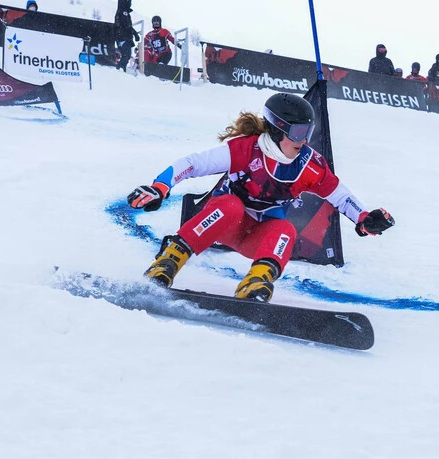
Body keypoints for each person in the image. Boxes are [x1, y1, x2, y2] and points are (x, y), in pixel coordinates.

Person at [126, 93, 395, 302]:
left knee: (286, 230)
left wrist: (363, 219)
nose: (303, 141)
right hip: (222, 224)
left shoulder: (310, 165)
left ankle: (255, 283)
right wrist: (159, 187)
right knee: (231, 206)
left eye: (308, 132)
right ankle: (167, 264)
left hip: (256, 236)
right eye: (298, 133)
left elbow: (339, 194)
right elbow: (192, 163)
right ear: (278, 131)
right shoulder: (246, 150)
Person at [114, 4, 140, 72]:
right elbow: (127, 25)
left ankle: (122, 69)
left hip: (120, 37)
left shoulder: (120, 11)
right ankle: (118, 69)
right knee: (126, 56)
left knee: (125, 56)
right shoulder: (123, 12)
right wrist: (135, 34)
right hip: (124, 37)